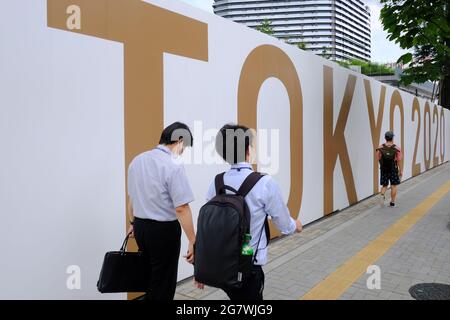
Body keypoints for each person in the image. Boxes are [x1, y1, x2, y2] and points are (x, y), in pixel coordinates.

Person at [197, 123, 303, 300]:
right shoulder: (265, 183)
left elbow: (207, 227)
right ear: (248, 149)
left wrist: (200, 265)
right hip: (248, 269)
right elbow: (284, 224)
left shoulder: (216, 182)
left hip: (220, 266)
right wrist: (296, 225)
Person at [127, 122, 196, 300]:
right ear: (179, 141)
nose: (183, 152)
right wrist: (192, 240)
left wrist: (133, 223)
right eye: (185, 147)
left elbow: (132, 197)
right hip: (163, 232)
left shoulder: (138, 160)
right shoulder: (173, 164)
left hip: (141, 227)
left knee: (151, 277)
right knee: (163, 283)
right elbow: (181, 208)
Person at [377, 130, 403, 207]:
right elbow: (399, 160)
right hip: (393, 169)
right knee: (393, 185)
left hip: (384, 169)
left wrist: (382, 166)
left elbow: (378, 158)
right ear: (392, 138)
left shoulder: (380, 147)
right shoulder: (396, 148)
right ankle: (392, 203)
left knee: (384, 185)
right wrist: (400, 170)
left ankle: (382, 196)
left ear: (385, 138)